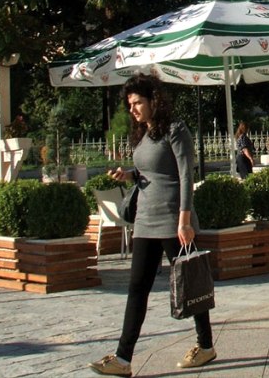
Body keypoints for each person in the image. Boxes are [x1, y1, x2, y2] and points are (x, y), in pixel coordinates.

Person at [90, 74, 216, 376]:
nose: (132, 109)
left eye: (138, 103)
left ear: (153, 101)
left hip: (173, 219)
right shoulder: (144, 134)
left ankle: (206, 345)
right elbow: (152, 169)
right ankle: (123, 358)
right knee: (137, 288)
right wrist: (130, 174)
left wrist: (185, 220)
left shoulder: (176, 130)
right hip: (145, 220)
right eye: (130, 104)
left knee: (190, 284)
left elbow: (186, 175)